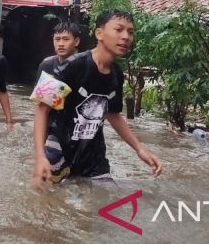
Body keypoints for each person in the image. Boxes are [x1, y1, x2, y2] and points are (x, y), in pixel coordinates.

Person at [32, 10, 162, 185]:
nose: (126, 37)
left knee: (102, 204)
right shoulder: (72, 65)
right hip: (59, 151)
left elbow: (113, 114)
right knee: (49, 203)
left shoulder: (116, 74)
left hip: (93, 155)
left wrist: (140, 149)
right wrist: (40, 156)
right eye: (119, 30)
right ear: (99, 33)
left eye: (130, 32)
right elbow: (42, 109)